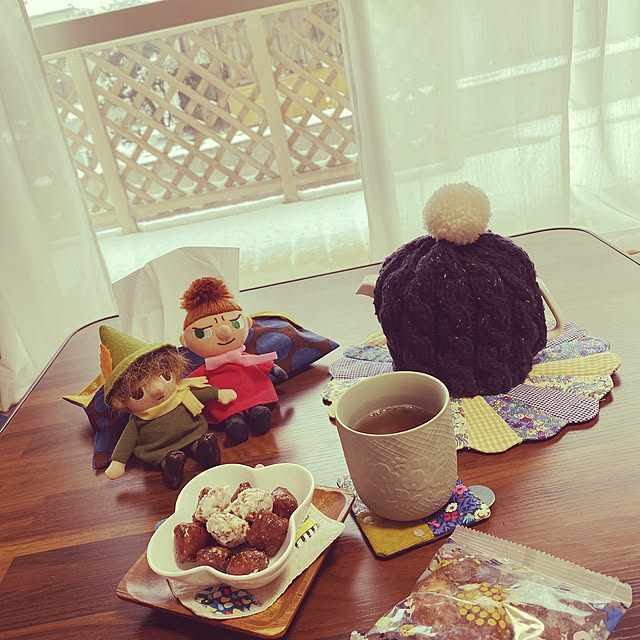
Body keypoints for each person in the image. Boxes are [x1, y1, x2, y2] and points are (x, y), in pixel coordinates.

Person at [99, 324, 236, 489]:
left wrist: (218, 394)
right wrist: (118, 462)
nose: (158, 389)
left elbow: (200, 393)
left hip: (192, 433)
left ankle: (205, 451)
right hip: (160, 449)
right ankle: (170, 466)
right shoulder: (139, 419)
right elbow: (126, 441)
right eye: (138, 393)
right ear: (120, 401)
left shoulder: (181, 393)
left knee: (200, 443)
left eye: (165, 376)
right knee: (169, 458)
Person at [180, 277, 279, 444]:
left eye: (235, 323)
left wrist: (275, 369)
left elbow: (259, 361)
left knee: (257, 407)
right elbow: (189, 385)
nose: (224, 332)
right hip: (225, 402)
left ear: (247, 322)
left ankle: (257, 412)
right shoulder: (207, 369)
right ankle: (234, 422)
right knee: (229, 412)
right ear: (185, 341)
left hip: (252, 392)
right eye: (203, 333)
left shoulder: (244, 358)